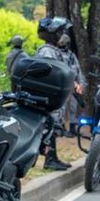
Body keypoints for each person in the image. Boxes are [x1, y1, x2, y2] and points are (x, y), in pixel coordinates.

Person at [36, 17, 82, 171]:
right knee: (51, 126)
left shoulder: (53, 50)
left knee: (53, 126)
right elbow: (53, 72)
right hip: (50, 96)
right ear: (52, 34)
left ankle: (52, 158)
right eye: (59, 31)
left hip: (54, 96)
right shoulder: (47, 51)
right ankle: (50, 159)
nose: (62, 34)